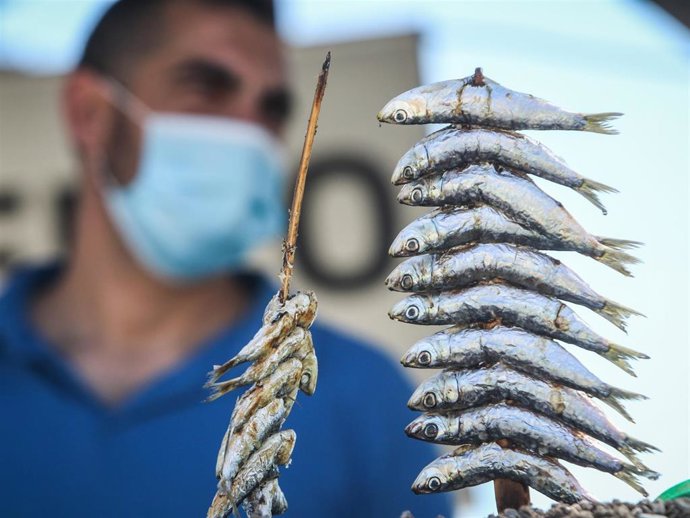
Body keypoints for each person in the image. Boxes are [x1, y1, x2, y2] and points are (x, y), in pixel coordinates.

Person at [0, 1, 453, 516]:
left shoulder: (364, 397)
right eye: (207, 88)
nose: (249, 132)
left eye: (271, 108)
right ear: (90, 113)